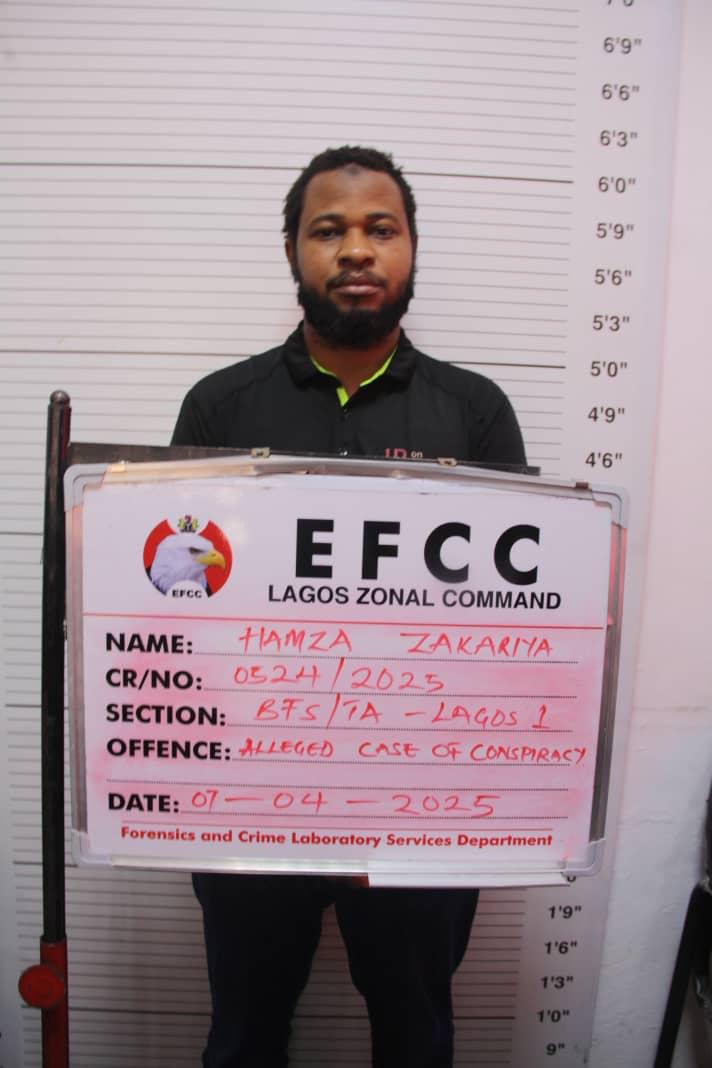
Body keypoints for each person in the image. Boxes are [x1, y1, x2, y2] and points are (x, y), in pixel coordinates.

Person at [172, 145, 526, 1068]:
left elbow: (513, 625)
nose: (357, 250)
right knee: (243, 1034)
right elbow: (175, 606)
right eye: (329, 230)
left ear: (411, 249)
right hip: (250, 800)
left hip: (422, 805)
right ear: (294, 251)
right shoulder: (218, 407)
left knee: (416, 1035)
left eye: (382, 229)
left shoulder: (475, 411)